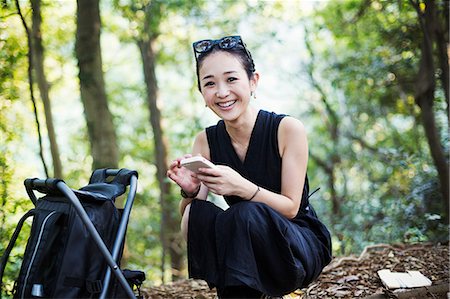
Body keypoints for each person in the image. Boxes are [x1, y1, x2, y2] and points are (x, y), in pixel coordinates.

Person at [167, 35, 332, 298]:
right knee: (197, 212)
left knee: (243, 213)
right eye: (210, 84)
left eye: (231, 79)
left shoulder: (287, 129)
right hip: (243, 246)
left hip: (297, 244)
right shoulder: (205, 140)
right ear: (201, 92)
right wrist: (189, 191)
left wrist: (242, 187)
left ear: (253, 81)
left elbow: (291, 208)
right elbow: (190, 222)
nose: (221, 92)